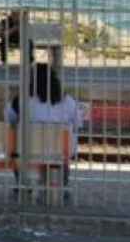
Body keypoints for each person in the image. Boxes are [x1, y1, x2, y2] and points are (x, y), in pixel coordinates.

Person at [6, 64, 80, 194]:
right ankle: (60, 183)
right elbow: (77, 124)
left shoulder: (22, 100)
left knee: (16, 138)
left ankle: (23, 183)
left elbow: (9, 118)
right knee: (67, 139)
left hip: (29, 152)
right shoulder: (68, 101)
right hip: (60, 154)